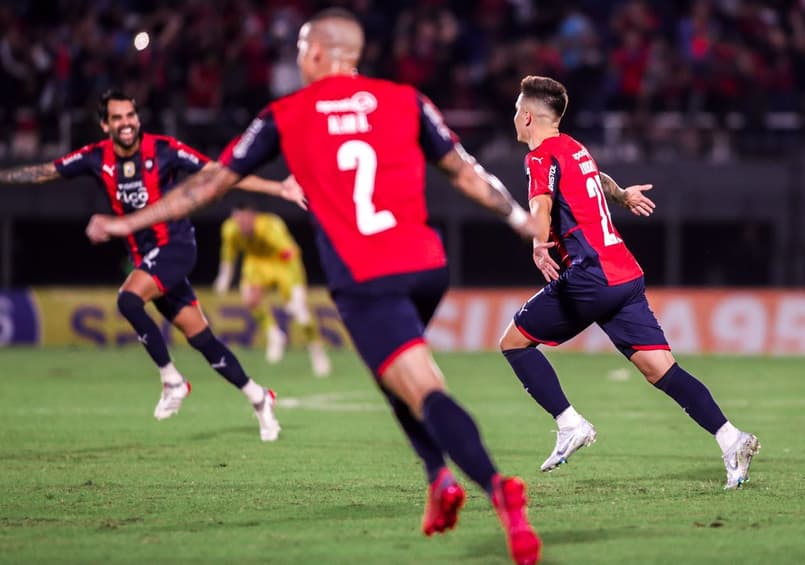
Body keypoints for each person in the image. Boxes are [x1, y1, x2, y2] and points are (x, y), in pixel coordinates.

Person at [86, 9, 542, 565]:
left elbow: (208, 185)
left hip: (366, 276)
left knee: (420, 386)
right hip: (427, 264)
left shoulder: (288, 113)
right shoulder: (405, 98)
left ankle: (497, 490)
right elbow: (468, 173)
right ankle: (436, 478)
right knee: (396, 371)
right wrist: (523, 224)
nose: (297, 60)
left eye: (301, 49)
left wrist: (127, 223)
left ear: (321, 53)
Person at [498, 75, 760, 489]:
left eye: (516, 110)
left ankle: (570, 423)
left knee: (513, 342)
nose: (514, 116)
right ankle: (732, 439)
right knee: (661, 370)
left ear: (528, 116)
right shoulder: (575, 149)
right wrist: (621, 195)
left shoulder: (540, 157)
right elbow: (596, 181)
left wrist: (538, 244)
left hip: (592, 276)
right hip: (625, 274)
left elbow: (541, 203)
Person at [0, 89, 284, 442]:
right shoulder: (94, 157)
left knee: (128, 300)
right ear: (105, 124)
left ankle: (172, 380)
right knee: (202, 339)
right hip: (147, 257)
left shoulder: (164, 150)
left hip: (176, 247)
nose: (126, 123)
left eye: (130, 115)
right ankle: (259, 398)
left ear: (138, 117)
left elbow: (220, 173)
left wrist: (279, 189)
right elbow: (45, 172)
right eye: (117, 118)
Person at [214, 203, 331, 376]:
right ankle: (274, 334)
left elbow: (290, 254)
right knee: (249, 299)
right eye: (238, 220)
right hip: (257, 262)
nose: (242, 224)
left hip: (283, 264)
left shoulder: (270, 226)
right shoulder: (230, 229)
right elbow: (229, 255)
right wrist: (224, 278)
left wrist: (297, 290)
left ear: (253, 216)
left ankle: (316, 350)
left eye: (245, 219)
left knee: (300, 313)